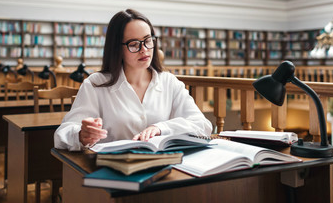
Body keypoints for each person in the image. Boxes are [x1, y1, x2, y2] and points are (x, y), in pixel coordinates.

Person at [54, 9, 213, 151]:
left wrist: (161, 128)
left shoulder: (169, 82)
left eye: (147, 40)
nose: (144, 49)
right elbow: (62, 134)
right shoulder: (96, 84)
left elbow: (202, 125)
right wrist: (81, 135)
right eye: (134, 44)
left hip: (165, 168)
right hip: (115, 172)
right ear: (117, 49)